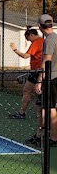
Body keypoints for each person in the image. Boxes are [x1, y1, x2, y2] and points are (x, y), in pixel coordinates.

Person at [29, 15, 57, 146]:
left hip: (50, 79)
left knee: (48, 108)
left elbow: (46, 62)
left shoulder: (49, 40)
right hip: (53, 78)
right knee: (41, 107)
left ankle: (52, 138)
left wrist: (40, 80)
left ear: (39, 26)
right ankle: (41, 135)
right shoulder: (54, 38)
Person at [9, 25, 43, 118]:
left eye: (28, 39)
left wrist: (15, 49)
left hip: (36, 71)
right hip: (39, 70)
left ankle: (22, 112)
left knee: (26, 90)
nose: (29, 41)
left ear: (31, 35)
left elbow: (25, 56)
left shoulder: (37, 42)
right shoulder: (43, 41)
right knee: (38, 92)